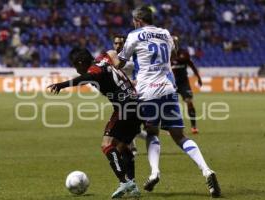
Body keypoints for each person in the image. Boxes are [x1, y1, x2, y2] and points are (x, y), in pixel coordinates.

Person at [115, 5, 221, 197]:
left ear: (138, 20)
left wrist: (111, 63)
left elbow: (121, 61)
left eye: (133, 20)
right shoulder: (165, 33)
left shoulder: (134, 35)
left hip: (148, 92)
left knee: (151, 132)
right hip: (168, 89)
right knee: (180, 136)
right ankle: (207, 170)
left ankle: (155, 172)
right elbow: (172, 54)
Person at [48, 47, 141, 198]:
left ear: (81, 62)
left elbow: (84, 79)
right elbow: (110, 52)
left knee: (107, 145)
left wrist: (61, 85)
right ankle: (133, 184)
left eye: (75, 65)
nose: (76, 69)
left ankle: (124, 182)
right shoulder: (103, 59)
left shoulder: (94, 70)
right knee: (122, 146)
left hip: (125, 107)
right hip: (138, 106)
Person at [171, 37, 202, 134]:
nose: (174, 44)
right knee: (170, 105)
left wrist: (198, 78)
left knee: (189, 102)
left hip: (184, 83)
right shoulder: (165, 54)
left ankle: (193, 126)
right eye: (172, 42)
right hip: (171, 84)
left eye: (175, 42)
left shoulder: (184, 53)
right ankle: (172, 127)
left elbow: (192, 65)